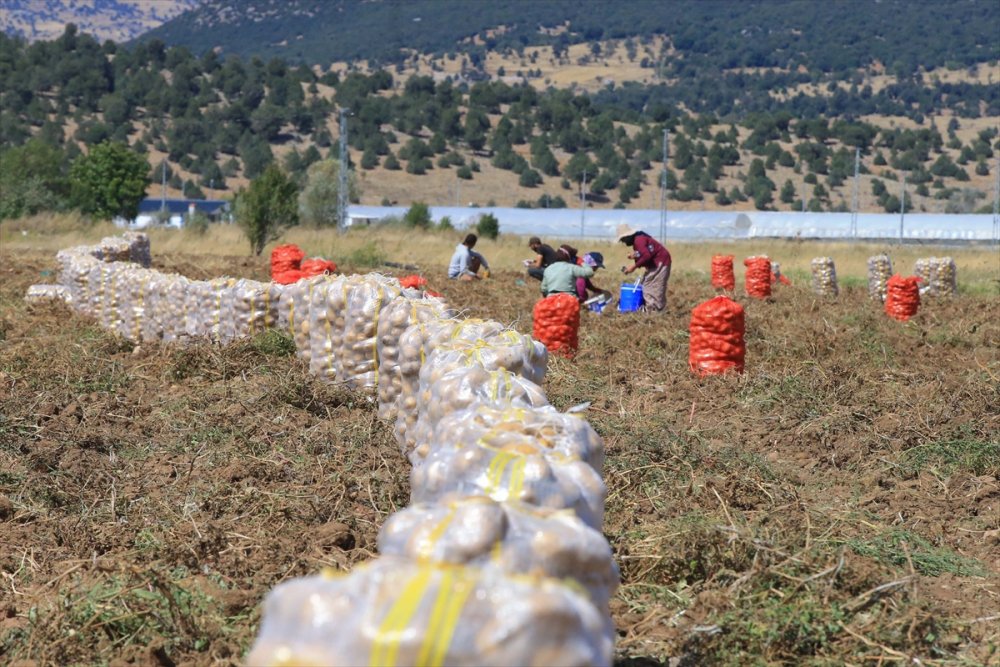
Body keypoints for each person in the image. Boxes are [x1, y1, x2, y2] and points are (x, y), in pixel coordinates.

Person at [617, 224, 672, 312]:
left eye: (623, 239)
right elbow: (645, 251)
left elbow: (646, 256)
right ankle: (653, 308)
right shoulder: (639, 239)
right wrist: (634, 256)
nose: (624, 242)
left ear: (628, 236)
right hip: (657, 262)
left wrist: (633, 267)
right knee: (647, 283)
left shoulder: (639, 240)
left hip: (660, 262)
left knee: (650, 285)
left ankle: (653, 309)